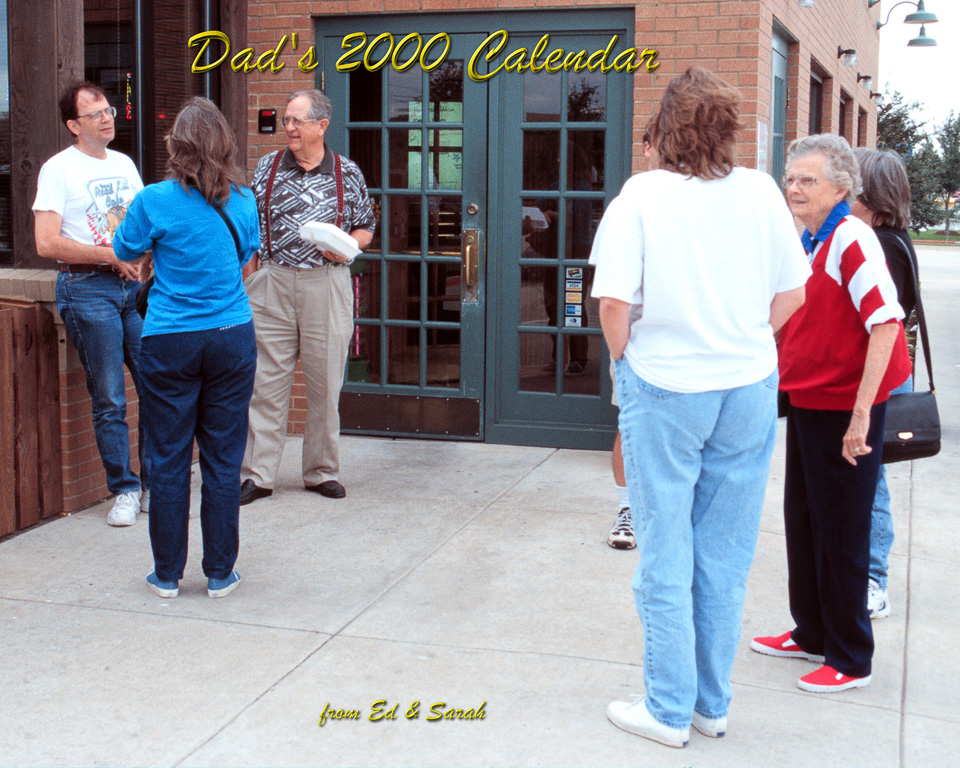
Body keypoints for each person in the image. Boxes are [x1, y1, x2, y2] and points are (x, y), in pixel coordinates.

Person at [593, 68, 810, 748]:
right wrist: (742, 340)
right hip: (746, 385)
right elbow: (792, 295)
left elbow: (612, 304)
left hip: (667, 385)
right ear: (728, 126)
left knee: (665, 549)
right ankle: (710, 705)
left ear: (666, 127)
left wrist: (628, 365)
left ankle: (665, 708)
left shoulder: (642, 195)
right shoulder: (761, 192)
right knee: (724, 552)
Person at [751, 135, 911, 693]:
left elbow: (886, 323)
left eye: (807, 180)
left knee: (842, 530)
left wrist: (862, 415)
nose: (793, 187)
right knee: (804, 520)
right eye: (790, 177)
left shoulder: (851, 238)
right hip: (811, 401)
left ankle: (850, 657)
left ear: (841, 188)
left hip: (845, 407)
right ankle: (812, 632)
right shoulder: (813, 238)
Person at [112, 97, 259, 599]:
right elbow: (244, 256)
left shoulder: (154, 200)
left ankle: (167, 575)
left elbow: (124, 250)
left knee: (169, 456)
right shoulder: (242, 198)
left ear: (176, 145)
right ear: (223, 142)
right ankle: (220, 574)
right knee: (222, 458)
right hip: (231, 337)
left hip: (170, 338)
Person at [239, 89, 376, 505]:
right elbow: (247, 225)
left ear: (321, 125)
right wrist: (252, 273)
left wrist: (349, 247)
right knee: (265, 382)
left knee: (324, 383)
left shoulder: (346, 172)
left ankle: (320, 471)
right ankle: (258, 475)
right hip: (273, 282)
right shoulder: (266, 168)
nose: (289, 128)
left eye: (297, 121)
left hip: (326, 282)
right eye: (286, 121)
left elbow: (366, 224)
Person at [33, 81, 150, 527]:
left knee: (157, 387)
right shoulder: (57, 170)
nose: (108, 117)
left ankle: (152, 486)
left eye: (109, 109)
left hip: (132, 289)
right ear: (73, 125)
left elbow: (137, 223)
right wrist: (110, 256)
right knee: (110, 398)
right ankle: (123, 488)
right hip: (86, 289)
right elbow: (46, 242)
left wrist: (135, 257)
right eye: (95, 113)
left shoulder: (123, 163)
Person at [851, 148, 919, 620]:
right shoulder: (893, 240)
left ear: (871, 196)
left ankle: (875, 580)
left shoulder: (884, 246)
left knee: (872, 482)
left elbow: (880, 325)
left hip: (879, 381)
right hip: (884, 377)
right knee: (868, 479)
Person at [604, 127, 655, 551]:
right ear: (646, 148)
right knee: (631, 428)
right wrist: (620, 354)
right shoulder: (630, 200)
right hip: (637, 346)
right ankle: (628, 509)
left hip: (691, 351)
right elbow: (607, 296)